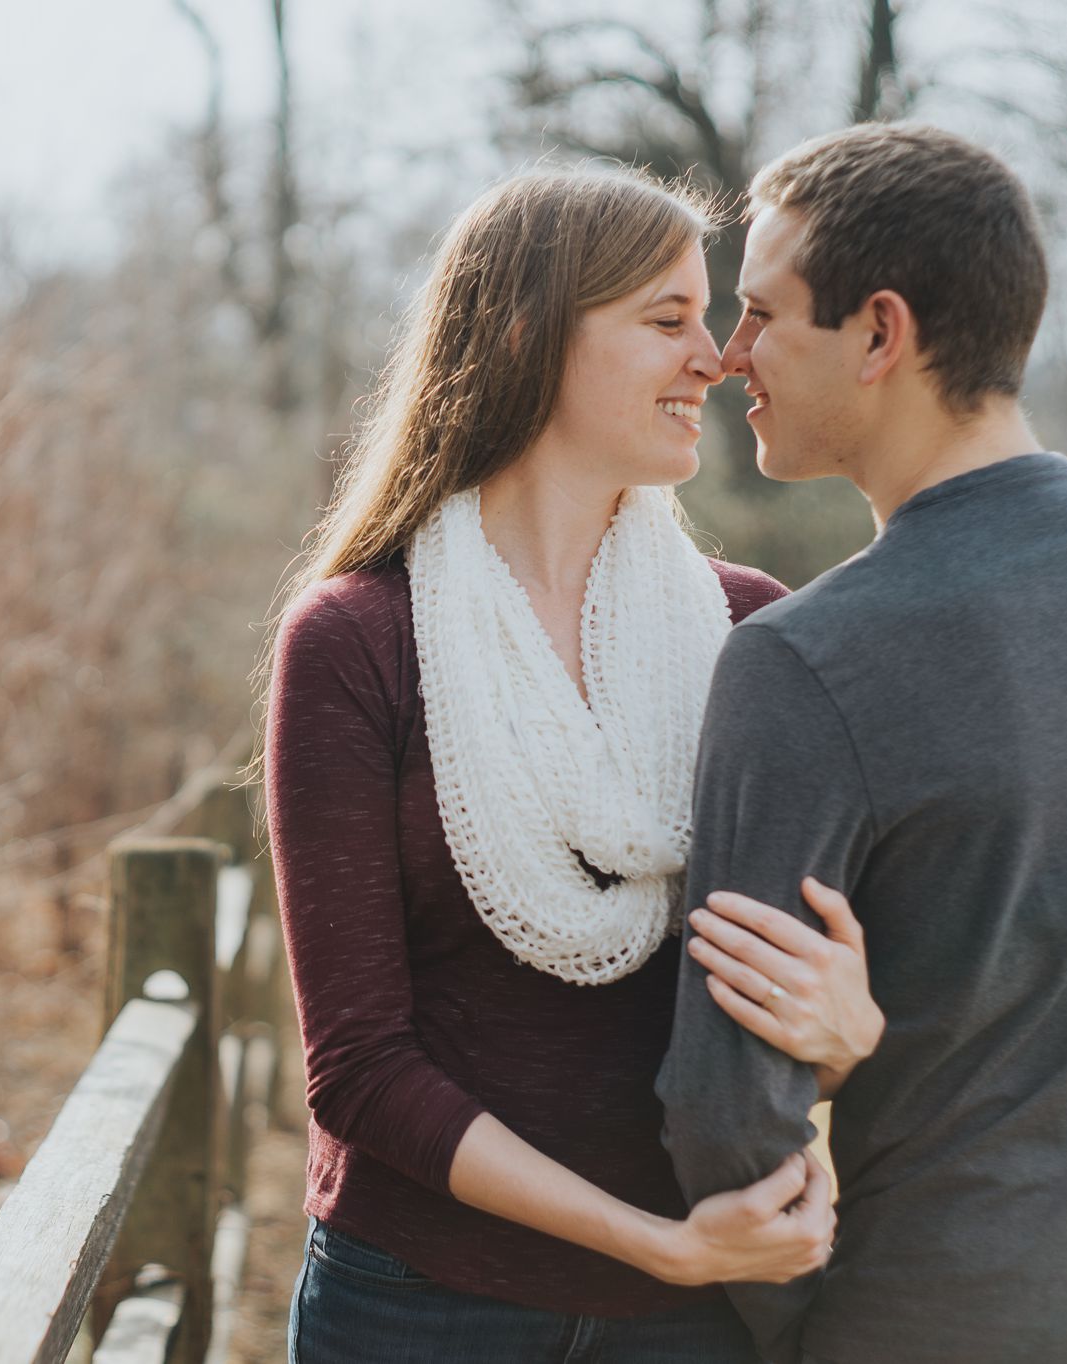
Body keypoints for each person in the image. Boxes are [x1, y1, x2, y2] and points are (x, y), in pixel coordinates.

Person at [656, 123, 1067, 1364]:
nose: (730, 358)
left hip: (935, 1318)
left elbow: (725, 1107)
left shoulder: (803, 659)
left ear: (880, 333)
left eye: (762, 314)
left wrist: (816, 1327)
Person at [264, 168, 882, 1364]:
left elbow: (836, 965)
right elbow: (356, 1067)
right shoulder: (355, 640)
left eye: (707, 319)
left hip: (700, 1311)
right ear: (522, 335)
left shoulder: (755, 636)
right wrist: (645, 1240)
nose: (713, 359)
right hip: (417, 1303)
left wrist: (855, 1030)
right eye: (664, 321)